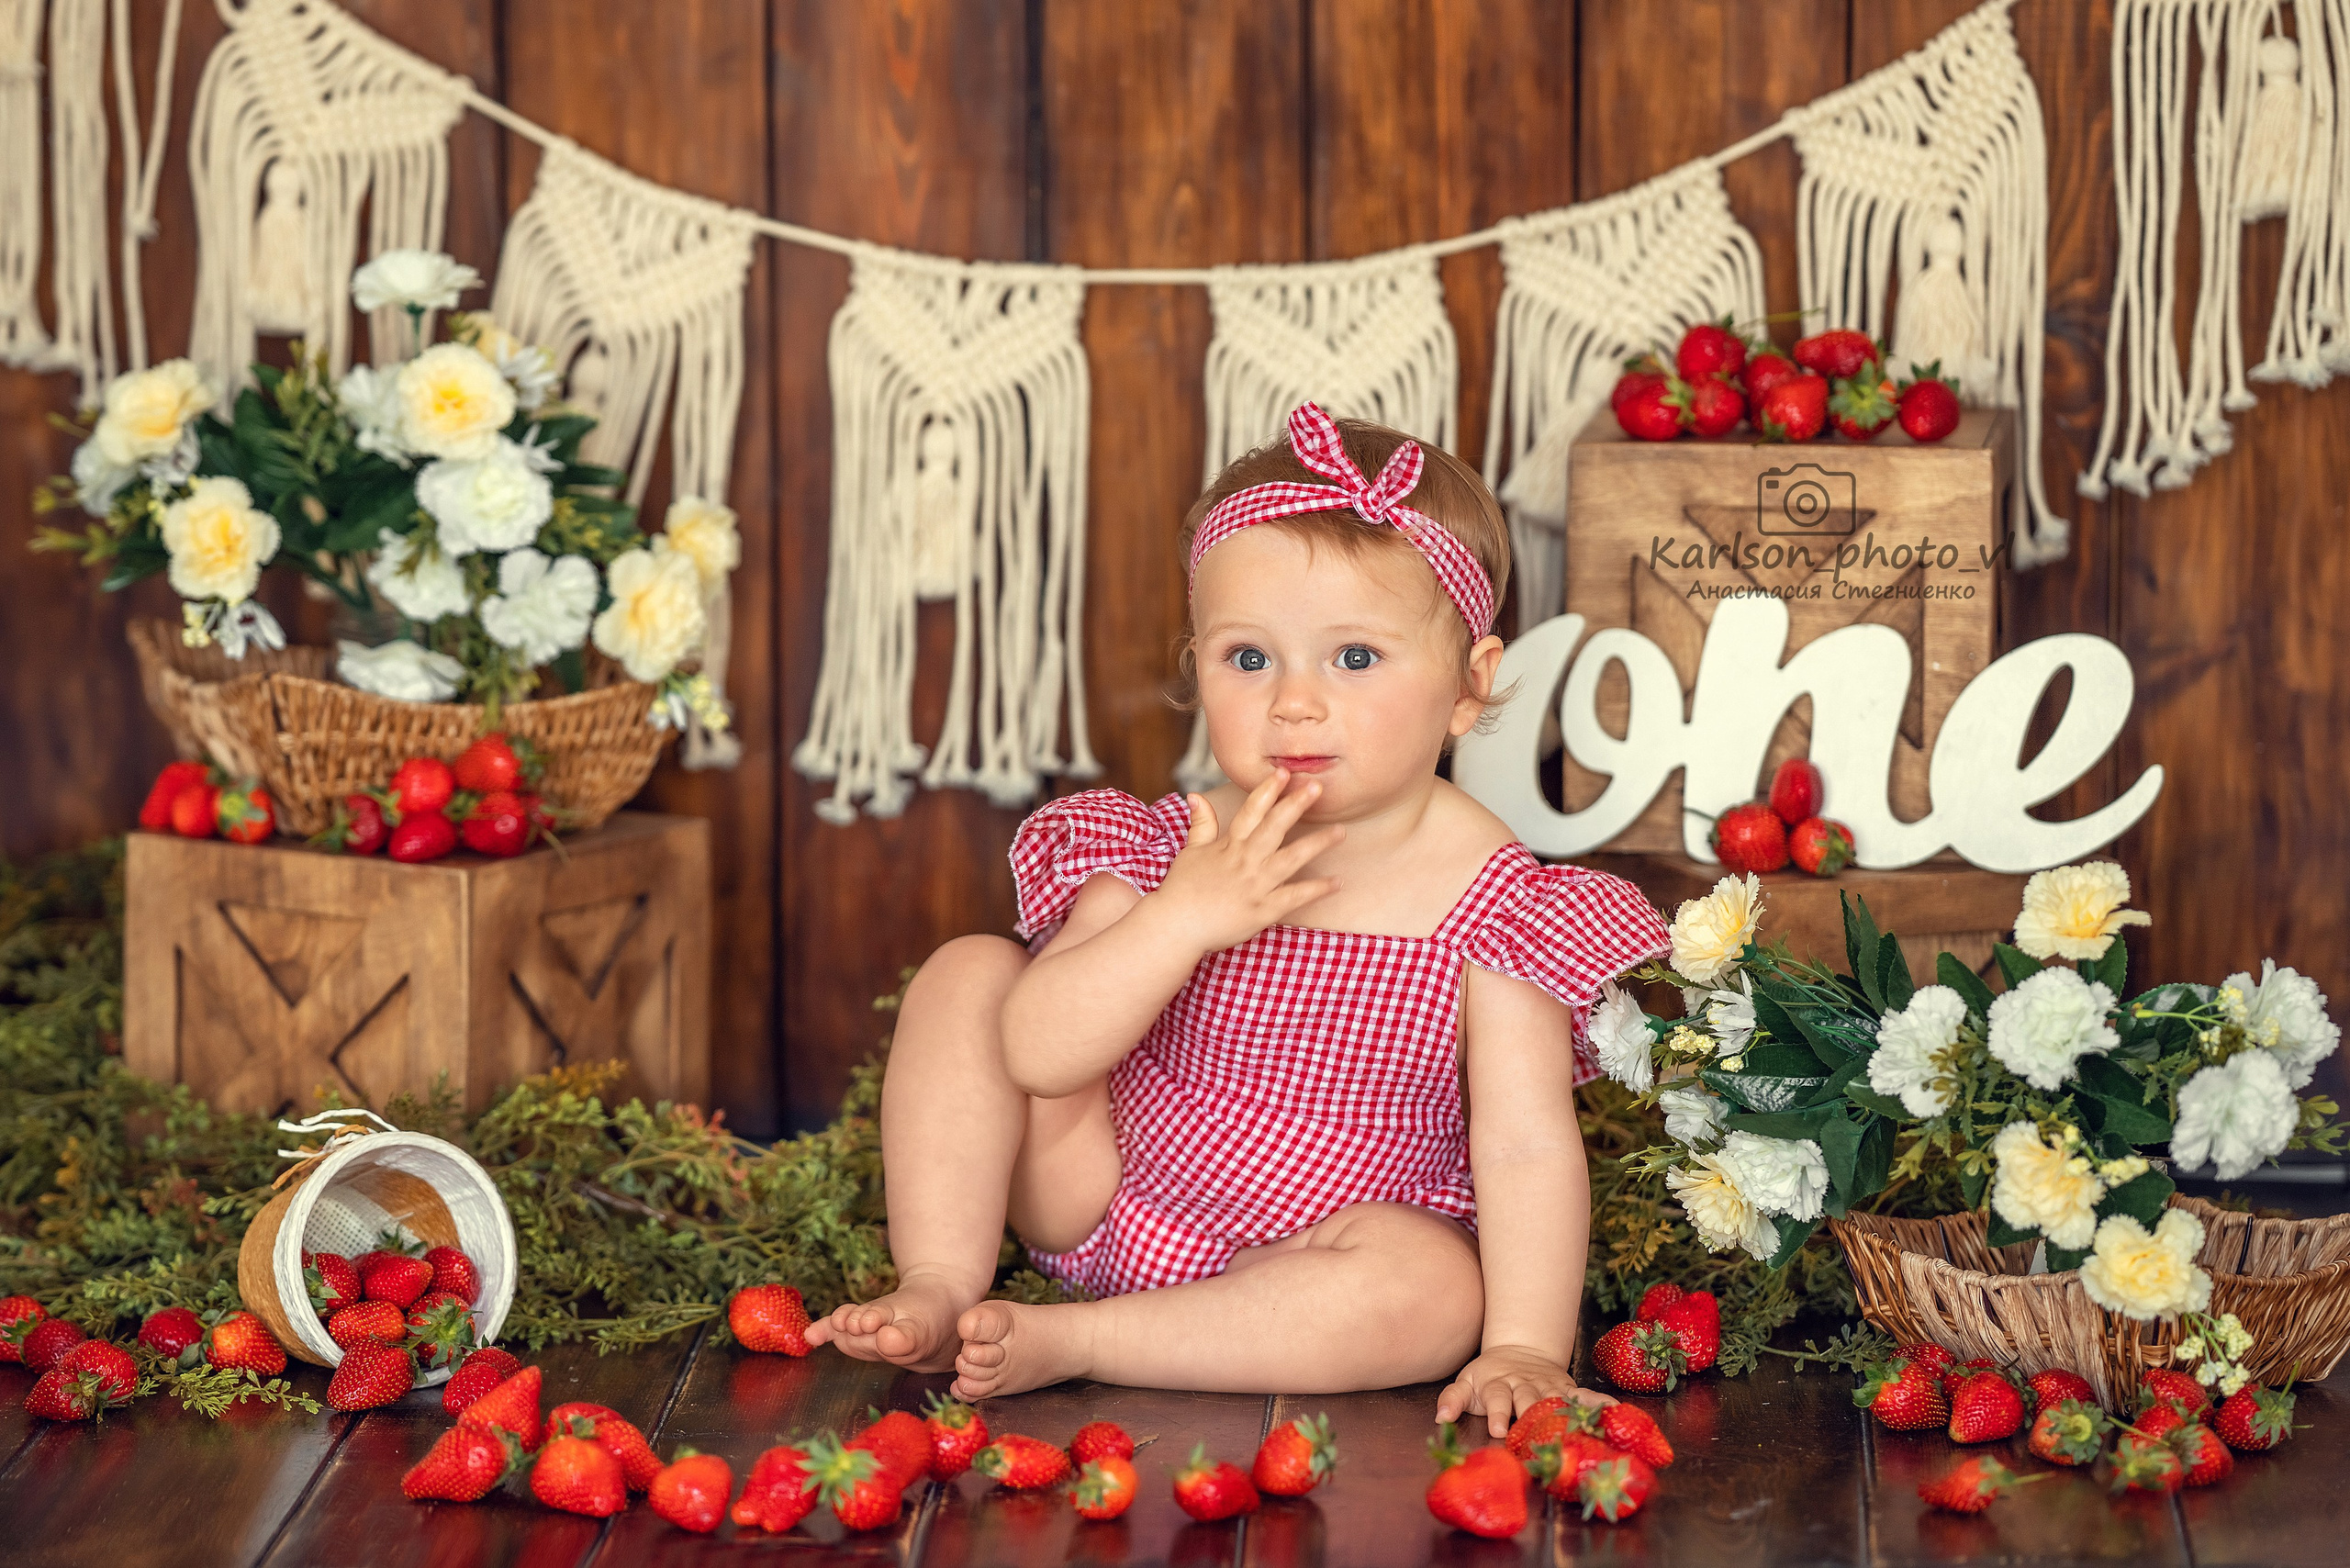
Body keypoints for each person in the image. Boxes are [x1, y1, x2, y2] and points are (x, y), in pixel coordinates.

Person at [806, 403, 1670, 1435]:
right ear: (1197, 661)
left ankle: (1078, 1343)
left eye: (1353, 659)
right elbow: (1037, 1051)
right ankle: (942, 1278)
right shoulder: (1175, 842)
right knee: (967, 974)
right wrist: (1183, 916)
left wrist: (1524, 1344)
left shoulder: (1491, 896)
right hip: (1108, 1190)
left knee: (1441, 1293)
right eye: (1248, 658)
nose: (1293, 703)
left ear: (1467, 687)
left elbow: (1526, 1144)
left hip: (1327, 1252)